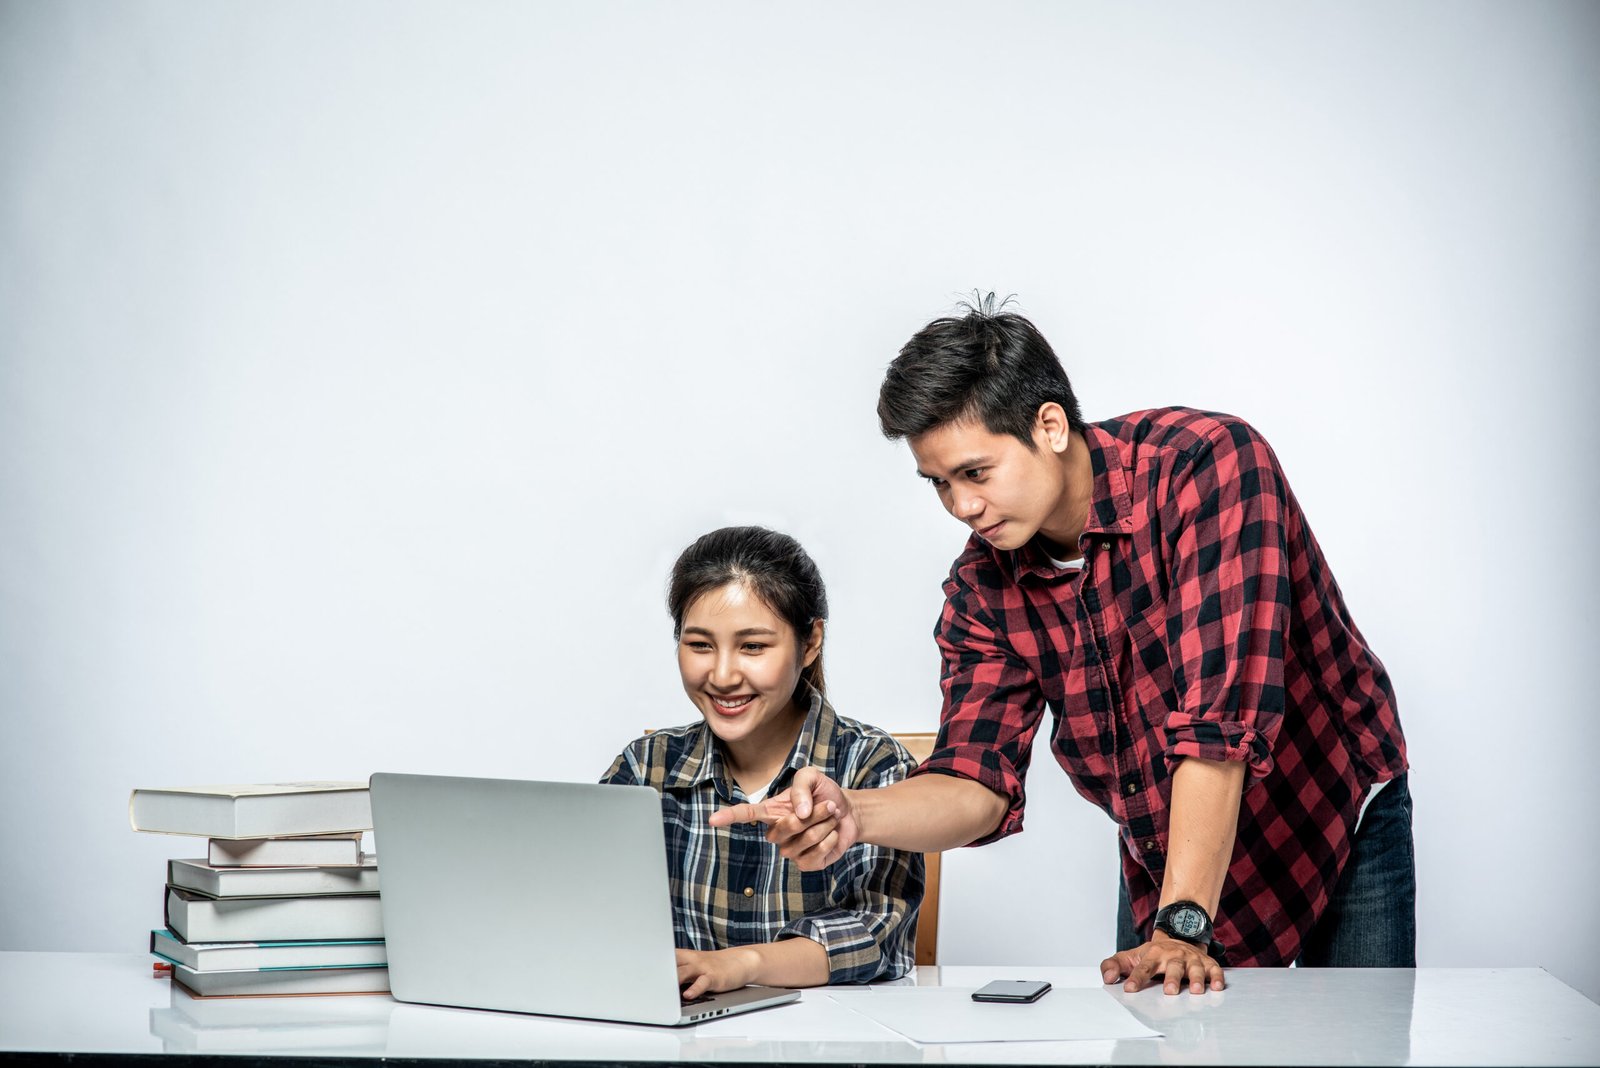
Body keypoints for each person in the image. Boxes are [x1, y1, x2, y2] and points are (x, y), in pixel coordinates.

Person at [713, 296, 1413, 996]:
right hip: (1168, 845)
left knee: (1360, 1056)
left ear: (1049, 425)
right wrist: (854, 813)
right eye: (940, 484)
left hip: (1328, 806)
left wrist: (1183, 926)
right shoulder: (982, 587)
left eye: (976, 473)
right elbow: (976, 781)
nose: (961, 507)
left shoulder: (1208, 468)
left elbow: (1217, 724)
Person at [603, 525, 924, 999]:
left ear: (810, 641)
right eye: (699, 645)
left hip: (829, 1040)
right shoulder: (645, 768)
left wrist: (742, 963)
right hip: (673, 1039)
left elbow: (875, 936)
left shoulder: (871, 766)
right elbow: (592, 912)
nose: (723, 675)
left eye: (753, 646)